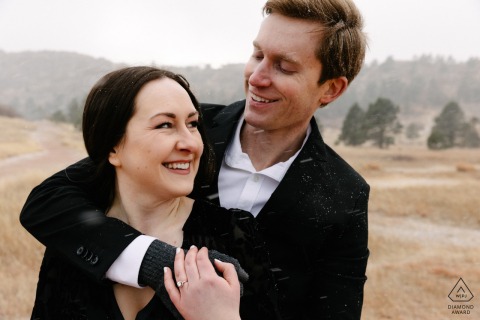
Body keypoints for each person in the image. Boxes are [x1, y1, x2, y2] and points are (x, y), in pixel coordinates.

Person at [20, 0, 370, 318]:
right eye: (257, 54)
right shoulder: (185, 130)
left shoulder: (345, 195)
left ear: (331, 89)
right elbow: (48, 202)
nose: (257, 77)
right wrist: (155, 261)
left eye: (285, 67)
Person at [27, 66, 272, 320]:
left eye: (192, 124)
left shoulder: (234, 234)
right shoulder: (76, 238)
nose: (189, 143)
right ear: (113, 147)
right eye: (165, 124)